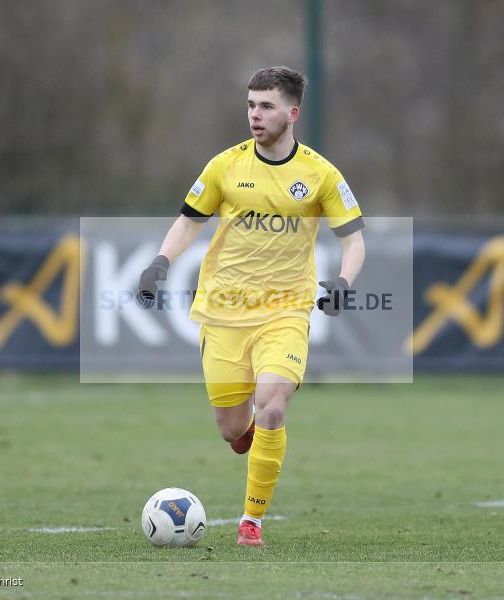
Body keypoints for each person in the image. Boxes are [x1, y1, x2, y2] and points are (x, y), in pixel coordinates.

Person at [137, 66, 365, 546]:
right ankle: (248, 432)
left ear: (292, 113)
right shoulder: (225, 166)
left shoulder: (321, 174)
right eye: (250, 105)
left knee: (274, 405)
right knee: (232, 429)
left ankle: (251, 522)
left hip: (286, 310)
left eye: (266, 106)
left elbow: (355, 240)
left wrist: (345, 280)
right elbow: (187, 222)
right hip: (223, 311)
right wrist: (159, 262)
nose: (255, 115)